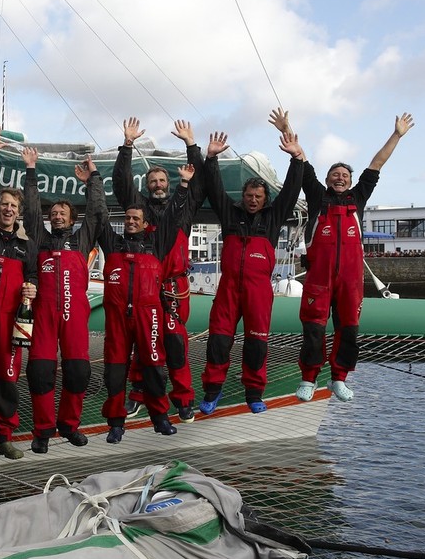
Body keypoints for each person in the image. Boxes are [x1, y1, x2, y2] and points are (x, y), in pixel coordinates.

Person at [292, 113, 414, 403]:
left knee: (348, 330)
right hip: (319, 278)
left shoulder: (358, 198)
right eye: (336, 174)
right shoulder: (316, 196)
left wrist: (396, 135)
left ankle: (339, 379)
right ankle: (309, 379)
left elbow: (377, 164)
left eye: (345, 175)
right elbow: (303, 161)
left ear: (350, 181)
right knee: (313, 329)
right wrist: (288, 132)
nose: (340, 178)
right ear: (326, 179)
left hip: (349, 280)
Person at [199, 111, 305, 415]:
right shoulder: (230, 215)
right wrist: (211, 159)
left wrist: (296, 159)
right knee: (218, 342)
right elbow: (215, 189)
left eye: (258, 195)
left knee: (256, 345)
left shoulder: (272, 218)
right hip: (229, 289)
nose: (253, 199)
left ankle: (254, 393)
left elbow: (290, 191)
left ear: (264, 198)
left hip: (258, 291)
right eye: (249, 195)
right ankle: (212, 391)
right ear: (243, 196)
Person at [112, 117, 207, 424]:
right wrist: (127, 146)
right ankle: (140, 395)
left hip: (174, 287)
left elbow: (200, 179)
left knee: (176, 345)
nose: (157, 185)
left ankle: (183, 399)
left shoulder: (184, 207)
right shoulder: (139, 209)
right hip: (145, 286)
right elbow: (121, 183)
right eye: (152, 181)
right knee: (144, 341)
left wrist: (191, 145)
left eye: (162, 181)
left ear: (170, 183)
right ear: (146, 186)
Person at [99, 163, 195, 443]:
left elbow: (175, 213)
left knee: (163, 358)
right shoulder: (114, 243)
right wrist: (97, 176)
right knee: (116, 371)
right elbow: (100, 212)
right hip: (122, 316)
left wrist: (185, 184)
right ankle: (117, 421)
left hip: (157, 303)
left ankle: (164, 414)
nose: (130, 222)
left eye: (135, 219)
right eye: (127, 218)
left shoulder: (158, 241)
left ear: (144, 223)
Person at [22, 148, 108, 453]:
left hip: (74, 315)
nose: (57, 216)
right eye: (53, 214)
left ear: (72, 219)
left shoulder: (83, 239)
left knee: (78, 372)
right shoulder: (40, 239)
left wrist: (93, 178)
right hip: (44, 314)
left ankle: (69, 425)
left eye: (63, 214)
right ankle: (43, 430)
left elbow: (98, 212)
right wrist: (30, 171)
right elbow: (31, 210)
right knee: (40, 373)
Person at [0, 183, 37, 460]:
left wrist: (32, 287)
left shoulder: (26, 246)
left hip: (9, 322)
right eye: (4, 204)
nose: (8, 209)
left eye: (13, 205)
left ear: (19, 212)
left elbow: (34, 276)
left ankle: (3, 437)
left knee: (6, 380)